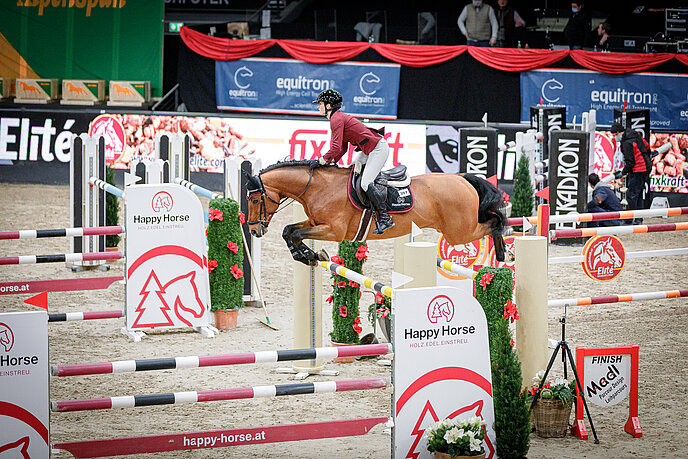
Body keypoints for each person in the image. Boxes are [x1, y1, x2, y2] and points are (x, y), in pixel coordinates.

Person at [313, 89, 394, 234]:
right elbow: (342, 149)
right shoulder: (338, 118)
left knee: (365, 183)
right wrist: (331, 163)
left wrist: (322, 160)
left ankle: (385, 218)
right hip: (369, 150)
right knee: (351, 171)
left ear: (329, 106)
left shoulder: (336, 119)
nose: (318, 106)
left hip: (377, 149)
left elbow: (335, 147)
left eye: (320, 103)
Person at [610, 123, 651, 225]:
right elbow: (647, 145)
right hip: (646, 167)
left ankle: (629, 219)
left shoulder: (626, 143)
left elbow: (630, 162)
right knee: (638, 194)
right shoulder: (635, 134)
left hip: (639, 169)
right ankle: (638, 218)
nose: (615, 138)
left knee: (631, 195)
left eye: (615, 135)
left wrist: (623, 173)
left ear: (619, 133)